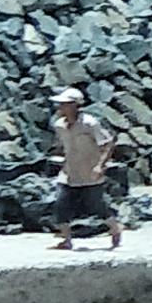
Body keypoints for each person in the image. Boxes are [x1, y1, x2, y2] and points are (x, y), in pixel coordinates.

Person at [48, 86, 122, 254]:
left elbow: (108, 143)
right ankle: (66, 240)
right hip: (69, 172)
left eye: (65, 104)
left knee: (96, 206)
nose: (60, 108)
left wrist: (100, 166)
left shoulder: (89, 123)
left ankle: (115, 228)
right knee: (61, 204)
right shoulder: (59, 125)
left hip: (89, 172)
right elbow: (62, 146)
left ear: (75, 105)